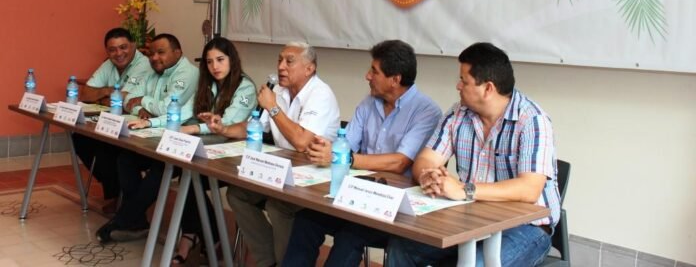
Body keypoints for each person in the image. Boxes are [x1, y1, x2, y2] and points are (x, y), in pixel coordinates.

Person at [387, 42, 561, 266]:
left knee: (476, 264)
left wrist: (464, 190)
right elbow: (426, 158)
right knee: (403, 247)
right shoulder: (459, 113)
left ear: (488, 88)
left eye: (464, 80)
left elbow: (529, 189)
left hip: (526, 228)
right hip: (470, 219)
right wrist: (428, 176)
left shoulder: (532, 121)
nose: (458, 86)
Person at [283, 39, 442, 267]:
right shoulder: (369, 102)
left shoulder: (426, 111)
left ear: (395, 80)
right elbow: (346, 144)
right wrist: (325, 148)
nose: (367, 76)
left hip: (394, 207)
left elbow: (399, 163)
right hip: (358, 194)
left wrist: (346, 158)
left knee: (350, 236)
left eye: (374, 71)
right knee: (305, 219)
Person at [215, 42, 340, 267]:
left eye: (289, 61)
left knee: (278, 206)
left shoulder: (321, 94)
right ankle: (269, 261)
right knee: (237, 195)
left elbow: (301, 142)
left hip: (315, 178)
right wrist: (224, 129)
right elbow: (254, 126)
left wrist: (273, 107)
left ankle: (287, 263)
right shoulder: (279, 91)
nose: (281, 66)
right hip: (282, 172)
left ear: (309, 68)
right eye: (279, 60)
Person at [96, 33, 199, 243]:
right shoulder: (154, 71)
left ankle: (124, 220)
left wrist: (142, 100)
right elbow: (126, 99)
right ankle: (137, 222)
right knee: (125, 159)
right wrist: (142, 108)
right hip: (153, 135)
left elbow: (168, 108)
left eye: (161, 52)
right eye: (151, 53)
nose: (154, 58)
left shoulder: (187, 73)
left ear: (177, 53)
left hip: (180, 143)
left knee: (160, 169)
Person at [170, 37, 257, 265]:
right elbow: (183, 112)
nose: (215, 66)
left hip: (233, 158)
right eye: (209, 62)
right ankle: (203, 236)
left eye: (220, 60)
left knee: (188, 177)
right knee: (179, 171)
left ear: (232, 59)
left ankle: (201, 237)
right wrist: (155, 123)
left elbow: (227, 124)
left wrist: (193, 128)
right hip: (208, 151)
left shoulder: (245, 86)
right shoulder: (207, 84)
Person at [72, 27, 153, 212]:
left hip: (136, 123)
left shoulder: (143, 65)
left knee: (106, 148)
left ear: (133, 46)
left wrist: (104, 96)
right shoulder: (109, 64)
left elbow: (125, 100)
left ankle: (123, 197)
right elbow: (86, 93)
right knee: (80, 138)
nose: (118, 53)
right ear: (107, 51)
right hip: (113, 121)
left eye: (123, 47)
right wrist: (108, 91)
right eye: (113, 49)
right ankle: (116, 191)